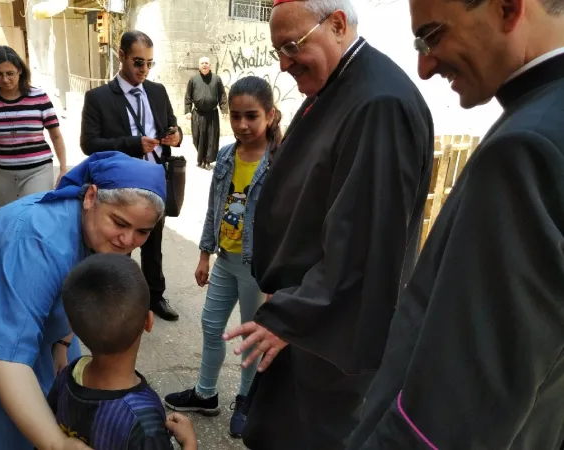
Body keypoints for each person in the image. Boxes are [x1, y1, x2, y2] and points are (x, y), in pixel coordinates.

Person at [346, 0, 564, 447]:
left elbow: (457, 408)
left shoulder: (527, 147)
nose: (424, 67)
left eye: (434, 35)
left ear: (506, 9)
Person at [222, 0, 435, 448]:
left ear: (337, 25)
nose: (282, 64)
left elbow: (363, 240)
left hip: (330, 328)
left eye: (291, 46)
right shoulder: (337, 85)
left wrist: (292, 315)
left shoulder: (379, 103)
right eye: (277, 49)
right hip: (306, 311)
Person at [0, 151, 166, 450]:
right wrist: (57, 444)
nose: (127, 241)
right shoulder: (40, 241)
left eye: (142, 232)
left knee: (52, 401)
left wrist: (62, 341)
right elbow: (3, 361)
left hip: (32, 314)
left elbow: (84, 287)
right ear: (90, 197)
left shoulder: (97, 230)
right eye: (119, 223)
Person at [164, 76, 282, 438]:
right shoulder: (228, 155)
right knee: (211, 327)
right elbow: (215, 209)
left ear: (271, 116)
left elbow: (288, 223)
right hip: (226, 259)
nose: (243, 125)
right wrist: (203, 255)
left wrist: (278, 281)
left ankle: (247, 400)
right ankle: (205, 392)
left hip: (259, 269)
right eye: (235, 116)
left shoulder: (281, 160)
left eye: (252, 116)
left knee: (252, 337)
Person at [81, 31, 182, 322]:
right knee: (119, 244)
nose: (144, 70)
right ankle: (115, 298)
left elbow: (172, 125)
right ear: (121, 55)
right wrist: (131, 143)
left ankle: (154, 297)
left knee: (152, 243)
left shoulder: (158, 91)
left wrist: (176, 135)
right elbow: (89, 143)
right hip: (120, 188)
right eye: (139, 62)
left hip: (155, 181)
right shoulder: (98, 98)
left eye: (150, 63)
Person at [49, 253, 198, 450]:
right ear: (149, 321)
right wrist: (190, 444)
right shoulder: (144, 421)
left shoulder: (70, 373)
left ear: (72, 327)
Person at [0, 45, 68, 213]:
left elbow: (55, 135)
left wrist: (63, 169)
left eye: (10, 73)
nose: (5, 79)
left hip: (38, 171)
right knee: (2, 223)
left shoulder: (39, 97)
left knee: (32, 218)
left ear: (20, 71)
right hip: (2, 174)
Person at [184, 56, 228, 169]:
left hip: (212, 114)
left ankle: (207, 161)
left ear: (210, 66)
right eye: (202, 63)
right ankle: (201, 158)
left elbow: (222, 95)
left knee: (211, 138)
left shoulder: (216, 79)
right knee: (197, 137)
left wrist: (224, 110)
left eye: (206, 63)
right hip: (197, 114)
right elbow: (188, 96)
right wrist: (188, 111)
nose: (204, 65)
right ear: (199, 66)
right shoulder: (193, 79)